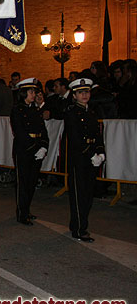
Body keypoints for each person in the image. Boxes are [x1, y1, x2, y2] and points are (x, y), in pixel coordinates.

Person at [64, 79, 106, 242]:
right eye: (81, 92)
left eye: (87, 92)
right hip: (79, 158)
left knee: (88, 194)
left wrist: (101, 152)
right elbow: (75, 138)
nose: (84, 95)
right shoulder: (71, 113)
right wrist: (90, 154)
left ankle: (79, 225)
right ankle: (79, 228)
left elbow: (97, 135)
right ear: (74, 95)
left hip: (92, 158)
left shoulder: (92, 113)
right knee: (79, 195)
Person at [10, 78, 48, 226]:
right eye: (31, 92)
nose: (34, 94)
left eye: (34, 91)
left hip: (37, 148)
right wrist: (34, 148)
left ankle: (27, 209)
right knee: (23, 182)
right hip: (24, 149)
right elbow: (20, 132)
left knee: (32, 182)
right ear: (23, 93)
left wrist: (44, 146)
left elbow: (43, 130)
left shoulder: (35, 110)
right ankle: (21, 212)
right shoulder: (17, 110)